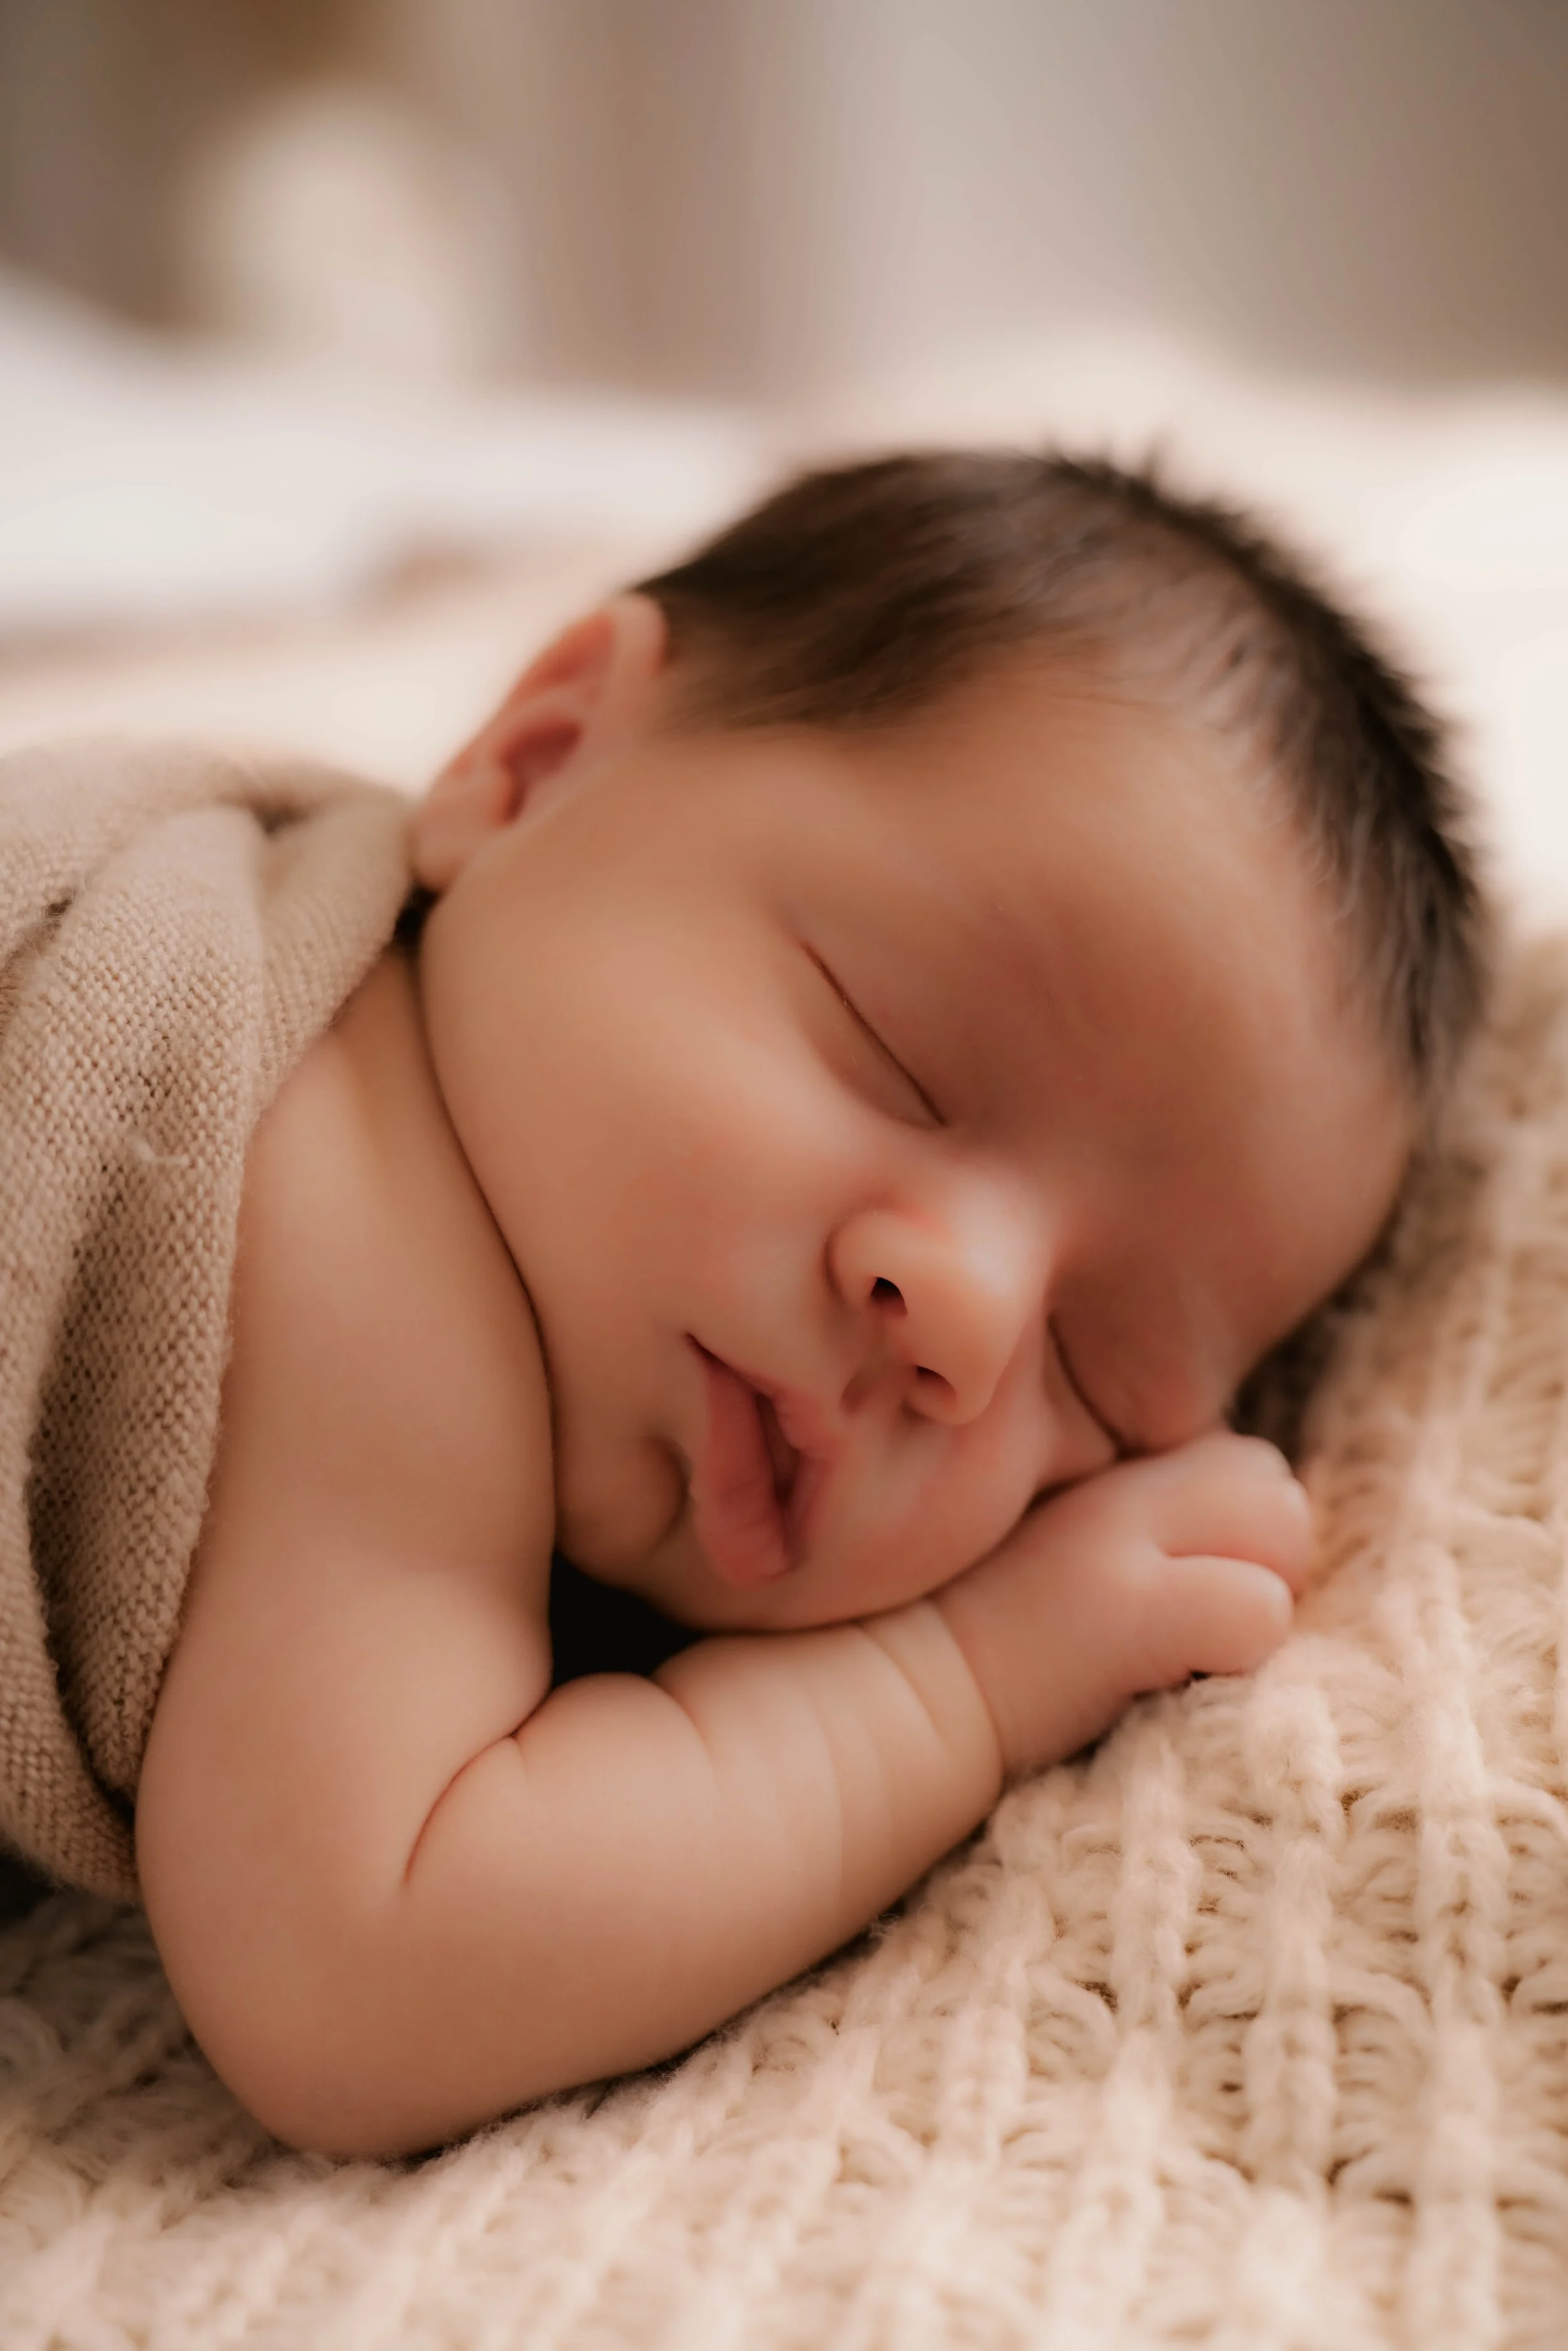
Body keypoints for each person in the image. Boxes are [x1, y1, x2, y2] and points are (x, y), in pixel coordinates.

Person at [0, 454, 1487, 2158]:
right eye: (894, 1049)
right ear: (537, 758)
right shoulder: (353, 1209)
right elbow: (371, 1967)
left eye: (1099, 1375)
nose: (968, 1321)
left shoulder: (488, 1081)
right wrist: (962, 1681)